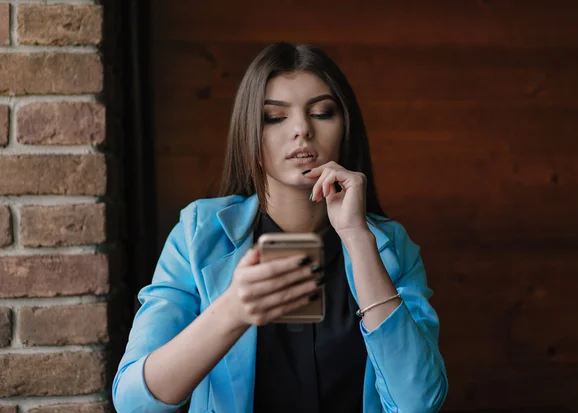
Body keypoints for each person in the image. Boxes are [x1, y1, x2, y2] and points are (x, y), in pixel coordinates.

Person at [113, 42, 448, 413]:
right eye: (274, 117)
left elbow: (419, 403)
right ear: (249, 134)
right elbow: (133, 401)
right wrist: (232, 312)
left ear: (345, 129)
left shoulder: (389, 243)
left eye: (322, 113)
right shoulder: (199, 233)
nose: (302, 129)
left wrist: (357, 237)